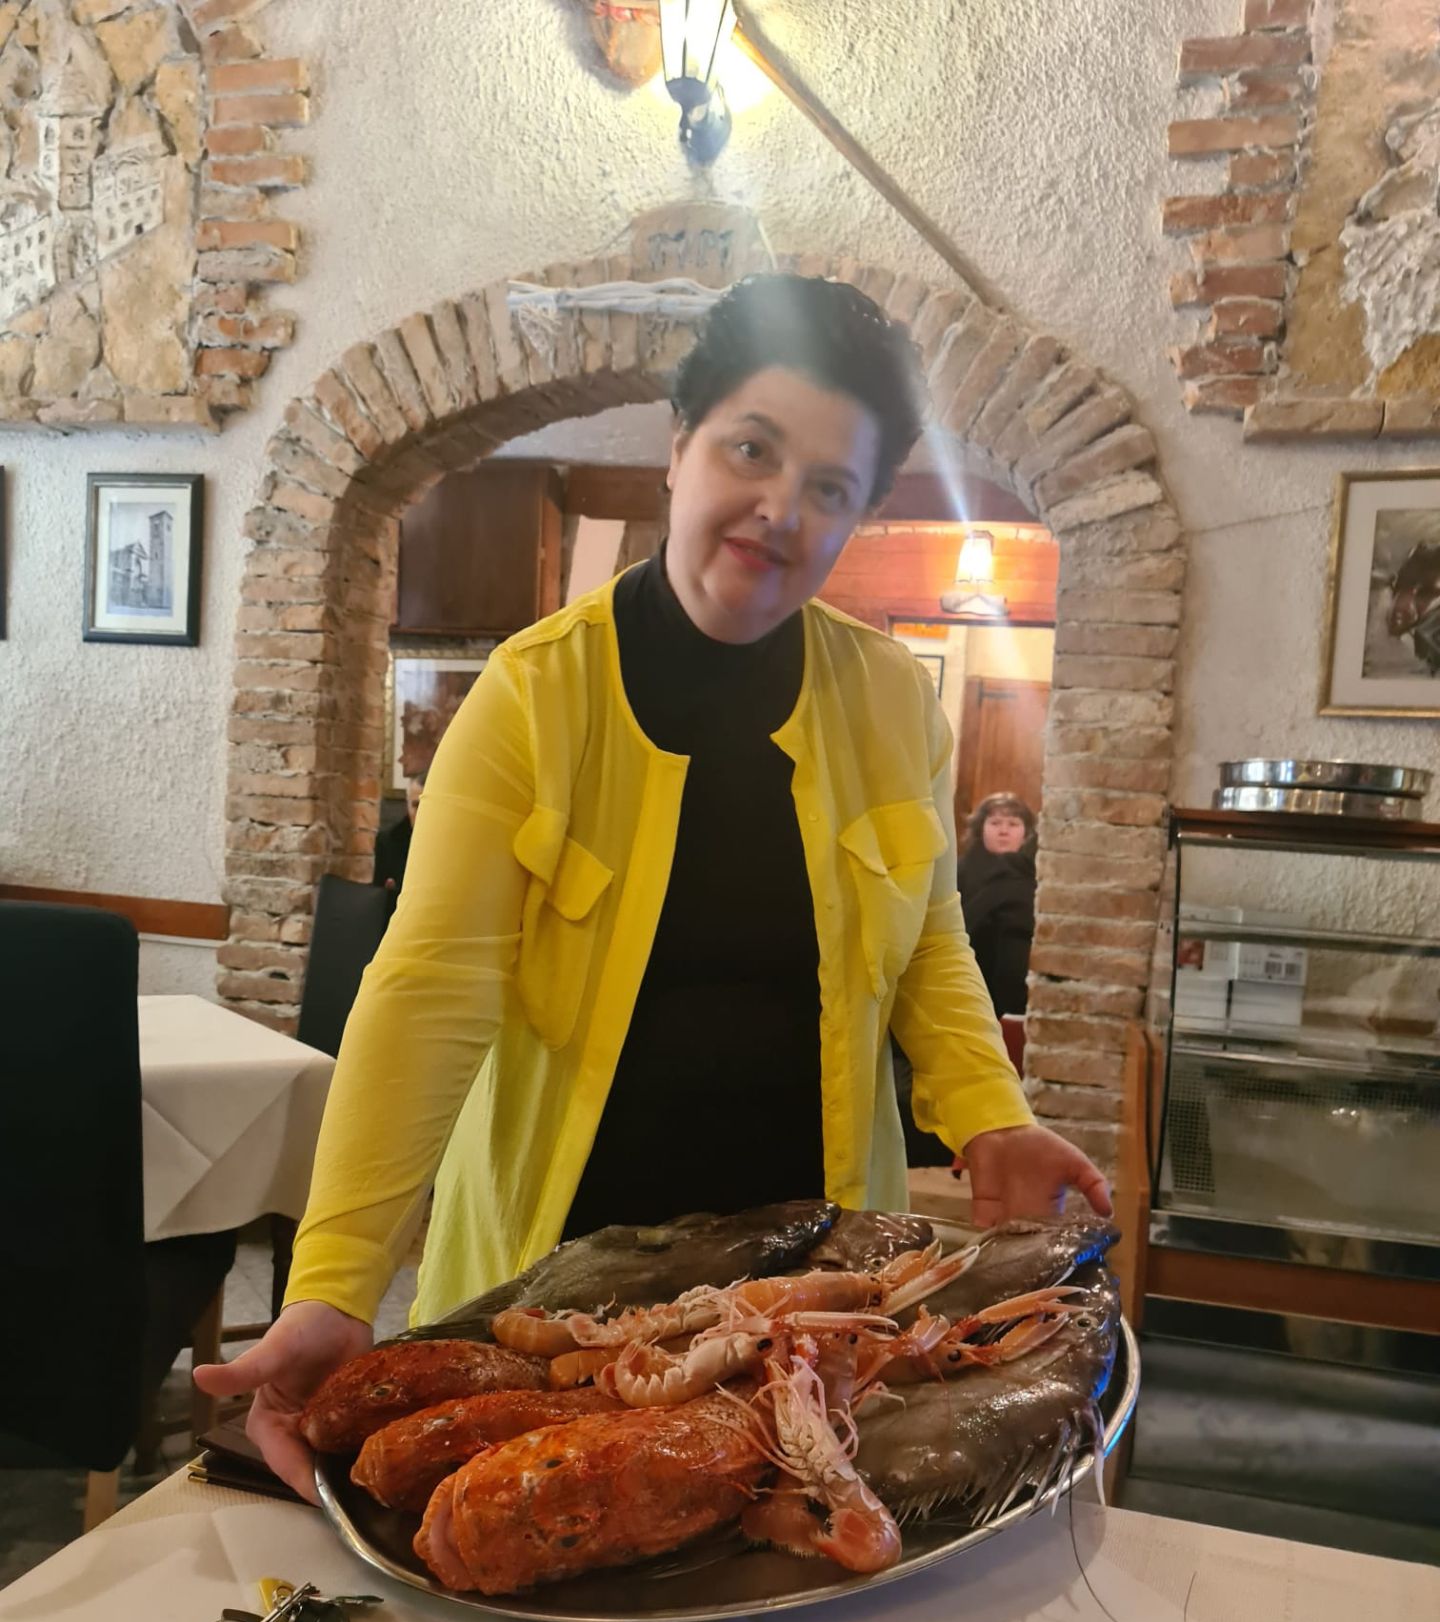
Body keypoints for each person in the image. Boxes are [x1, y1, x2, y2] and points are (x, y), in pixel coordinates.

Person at [196, 275, 1111, 1499]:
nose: (778, 508)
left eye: (829, 488)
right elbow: (425, 997)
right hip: (553, 1300)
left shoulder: (894, 703)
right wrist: (334, 1281)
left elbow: (930, 944)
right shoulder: (533, 698)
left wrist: (990, 1113)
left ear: (859, 516)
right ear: (679, 447)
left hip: (809, 1305)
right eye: (751, 449)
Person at [957, 793, 1039, 1019]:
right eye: (995, 823)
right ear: (981, 828)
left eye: (1013, 824)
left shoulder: (1036, 877)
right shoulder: (959, 872)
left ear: (1026, 833)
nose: (1004, 831)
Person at [371, 767, 427, 896]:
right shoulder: (388, 841)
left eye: (426, 806)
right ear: (407, 805)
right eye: (415, 805)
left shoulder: (453, 843)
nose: (421, 813)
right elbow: (377, 895)